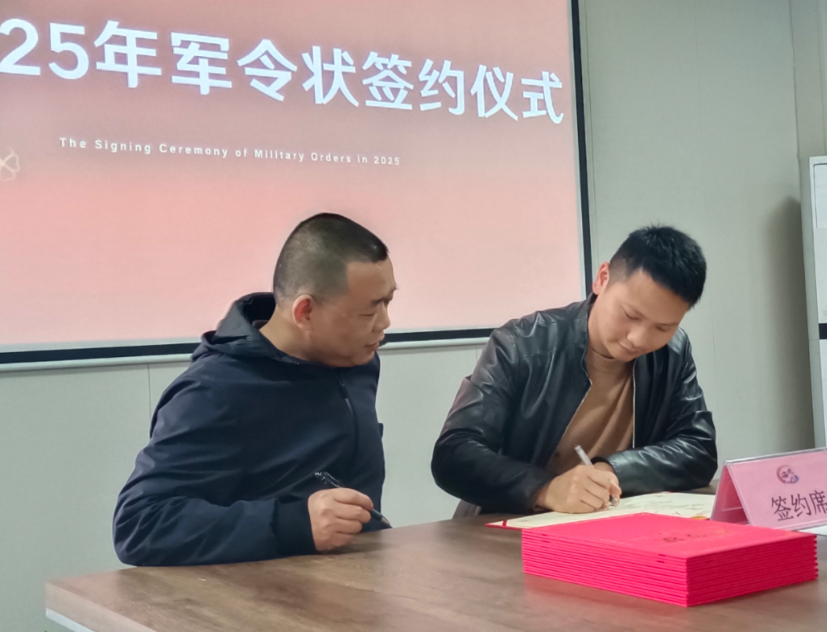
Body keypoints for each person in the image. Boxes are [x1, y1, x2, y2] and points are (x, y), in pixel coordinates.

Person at [114, 213, 396, 565]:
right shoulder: (213, 391)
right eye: (369, 312)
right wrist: (292, 524)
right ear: (305, 312)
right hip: (266, 592)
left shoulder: (356, 363)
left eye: (388, 302)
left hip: (359, 580)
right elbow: (140, 524)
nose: (385, 323)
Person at [431, 225, 717, 517]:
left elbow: (699, 449)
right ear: (602, 279)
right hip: (508, 526)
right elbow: (454, 453)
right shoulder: (521, 344)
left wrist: (613, 469)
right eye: (631, 315)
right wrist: (545, 489)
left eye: (663, 328)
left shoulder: (672, 353)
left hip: (607, 525)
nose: (639, 339)